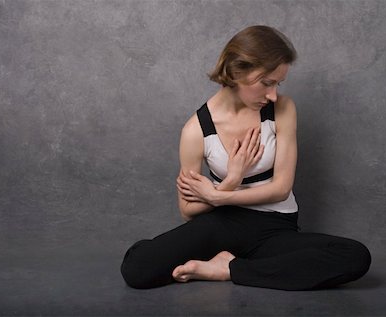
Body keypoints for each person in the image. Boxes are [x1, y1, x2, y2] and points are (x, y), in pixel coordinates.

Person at [121, 25, 371, 290]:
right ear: (236, 71)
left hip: (275, 227)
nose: (273, 94)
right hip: (221, 225)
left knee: (354, 256)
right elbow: (187, 211)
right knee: (138, 268)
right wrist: (231, 180)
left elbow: (281, 188)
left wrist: (219, 196)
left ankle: (228, 268)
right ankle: (246, 267)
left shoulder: (282, 110)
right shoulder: (196, 130)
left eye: (278, 83)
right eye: (267, 83)